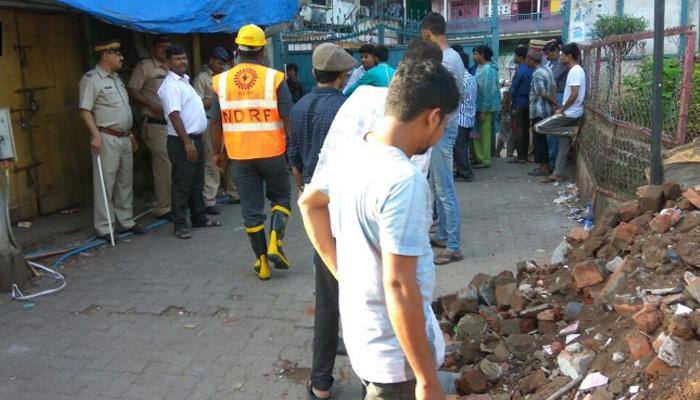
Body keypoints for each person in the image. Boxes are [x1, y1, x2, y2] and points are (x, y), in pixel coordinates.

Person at [299, 59, 460, 400]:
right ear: (432, 116)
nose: (442, 132)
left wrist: (342, 271)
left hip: (366, 342)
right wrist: (427, 381)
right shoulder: (405, 181)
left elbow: (309, 203)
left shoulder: (352, 153)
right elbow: (400, 286)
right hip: (395, 362)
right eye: (444, 124)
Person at [287, 43, 357, 400]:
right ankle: (371, 383)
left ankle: (321, 385)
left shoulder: (298, 108)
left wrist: (306, 194)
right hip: (346, 207)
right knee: (361, 293)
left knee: (327, 294)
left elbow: (294, 160)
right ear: (343, 77)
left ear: (314, 74)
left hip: (316, 207)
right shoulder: (348, 108)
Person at [212, 24, 294, 281]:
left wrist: (218, 152)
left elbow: (215, 121)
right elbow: (287, 116)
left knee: (251, 210)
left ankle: (262, 263)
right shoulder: (275, 78)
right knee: (281, 198)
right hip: (272, 152)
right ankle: (275, 244)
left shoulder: (221, 82)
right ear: (261, 51)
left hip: (239, 155)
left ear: (237, 50)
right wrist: (291, 148)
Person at [315, 38, 443, 184]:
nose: (364, 60)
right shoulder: (396, 76)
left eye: (366, 57)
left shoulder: (364, 90)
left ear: (375, 58)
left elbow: (349, 90)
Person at [79, 40, 144, 241]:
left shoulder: (116, 78)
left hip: (123, 136)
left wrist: (131, 134)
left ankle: (125, 220)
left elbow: (123, 110)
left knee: (125, 182)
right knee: (105, 182)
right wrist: (95, 135)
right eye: (117, 54)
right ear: (106, 55)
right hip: (106, 137)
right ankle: (105, 226)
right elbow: (85, 109)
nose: (121, 57)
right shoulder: (91, 79)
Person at [158, 45, 221, 239]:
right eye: (177, 59)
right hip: (181, 141)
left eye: (184, 58)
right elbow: (174, 115)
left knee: (196, 181)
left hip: (196, 138)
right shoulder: (170, 86)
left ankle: (199, 217)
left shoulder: (184, 82)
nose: (182, 62)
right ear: (167, 62)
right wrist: (186, 142)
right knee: (182, 183)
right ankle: (179, 224)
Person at [421, 11, 465, 265]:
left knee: (445, 189)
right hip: (446, 126)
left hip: (443, 128)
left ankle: (454, 245)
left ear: (427, 34)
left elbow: (445, 99)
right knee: (439, 187)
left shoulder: (445, 60)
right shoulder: (453, 57)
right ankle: (443, 234)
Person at [127, 35, 173, 220]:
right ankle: (164, 207)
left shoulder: (172, 67)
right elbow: (132, 90)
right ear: (154, 49)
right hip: (155, 124)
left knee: (176, 164)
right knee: (163, 166)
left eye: (167, 47)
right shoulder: (145, 67)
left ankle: (176, 203)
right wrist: (149, 104)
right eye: (161, 48)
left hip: (174, 124)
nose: (164, 51)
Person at [535, 43, 585, 183]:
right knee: (564, 145)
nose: (561, 58)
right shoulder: (575, 70)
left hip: (570, 113)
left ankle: (571, 130)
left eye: (562, 55)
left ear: (569, 56)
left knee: (540, 127)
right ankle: (557, 173)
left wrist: (562, 109)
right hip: (573, 111)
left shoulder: (575, 71)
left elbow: (574, 94)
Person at [192, 46, 231, 215]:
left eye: (223, 63)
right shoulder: (201, 79)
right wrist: (214, 100)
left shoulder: (228, 75)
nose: (221, 66)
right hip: (211, 122)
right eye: (219, 63)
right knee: (212, 160)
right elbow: (197, 103)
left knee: (231, 158)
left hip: (228, 121)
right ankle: (209, 200)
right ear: (211, 61)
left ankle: (234, 193)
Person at [526, 49, 557, 177]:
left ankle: (543, 167)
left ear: (533, 60)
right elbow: (554, 86)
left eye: (528, 58)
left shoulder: (537, 73)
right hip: (546, 109)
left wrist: (554, 102)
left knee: (539, 140)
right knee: (544, 138)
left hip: (539, 110)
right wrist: (553, 103)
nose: (526, 60)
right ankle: (547, 165)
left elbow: (542, 93)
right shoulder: (547, 69)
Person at [472, 45, 501, 168]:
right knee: (476, 133)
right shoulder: (481, 68)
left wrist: (483, 110)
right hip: (478, 105)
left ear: (482, 55)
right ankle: (478, 157)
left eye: (475, 54)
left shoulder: (489, 70)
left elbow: (488, 91)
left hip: (486, 107)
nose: (473, 56)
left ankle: (484, 159)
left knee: (484, 133)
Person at [543, 41, 569, 171]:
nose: (547, 57)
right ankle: (550, 160)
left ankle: (552, 163)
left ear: (555, 51)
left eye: (549, 54)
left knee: (553, 132)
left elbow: (552, 78)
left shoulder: (561, 63)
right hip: (553, 96)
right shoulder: (551, 62)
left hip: (559, 95)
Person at [506, 46, 533, 163]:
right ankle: (524, 154)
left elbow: (513, 88)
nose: (514, 58)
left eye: (516, 56)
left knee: (518, 130)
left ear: (520, 57)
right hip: (528, 103)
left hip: (518, 103)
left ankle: (521, 156)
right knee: (525, 130)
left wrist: (507, 102)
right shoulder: (531, 69)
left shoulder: (520, 70)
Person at [454, 53, 478, 182]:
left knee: (460, 148)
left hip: (461, 118)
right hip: (468, 117)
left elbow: (457, 99)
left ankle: (466, 173)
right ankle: (461, 171)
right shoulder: (471, 78)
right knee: (463, 147)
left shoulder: (462, 80)